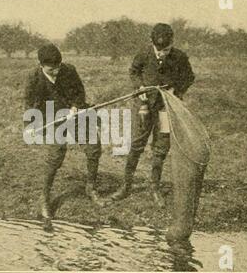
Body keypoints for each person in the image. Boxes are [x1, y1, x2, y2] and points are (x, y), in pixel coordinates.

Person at [110, 23, 195, 207]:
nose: (162, 53)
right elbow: (133, 71)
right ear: (151, 42)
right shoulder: (144, 54)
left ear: (172, 42)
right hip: (144, 106)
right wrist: (139, 87)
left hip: (166, 108)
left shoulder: (180, 57)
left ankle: (155, 188)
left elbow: (189, 77)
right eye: (159, 49)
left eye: (166, 49)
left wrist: (176, 90)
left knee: (161, 146)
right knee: (137, 144)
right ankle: (126, 186)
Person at [24, 44, 102, 222]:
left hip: (75, 114)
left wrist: (75, 107)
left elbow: (80, 92)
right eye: (52, 69)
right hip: (52, 118)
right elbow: (30, 105)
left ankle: (91, 187)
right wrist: (34, 124)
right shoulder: (34, 78)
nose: (56, 71)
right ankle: (44, 197)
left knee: (93, 148)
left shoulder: (69, 70)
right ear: (41, 65)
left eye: (58, 66)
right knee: (56, 155)